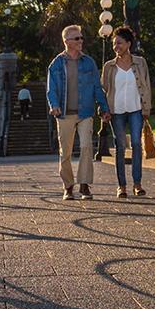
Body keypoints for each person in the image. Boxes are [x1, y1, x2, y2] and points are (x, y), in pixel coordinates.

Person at [46, 25, 109, 200]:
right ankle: (68, 186)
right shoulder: (56, 63)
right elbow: (51, 89)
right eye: (77, 38)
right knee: (65, 152)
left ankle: (84, 184)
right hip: (64, 113)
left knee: (87, 147)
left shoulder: (88, 62)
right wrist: (55, 105)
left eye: (81, 38)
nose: (81, 41)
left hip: (85, 112)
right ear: (66, 41)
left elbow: (97, 87)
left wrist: (104, 108)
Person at [102, 26, 152, 198]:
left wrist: (146, 108)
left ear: (128, 44)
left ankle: (137, 184)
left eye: (120, 43)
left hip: (136, 110)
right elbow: (104, 90)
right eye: (114, 44)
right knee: (120, 146)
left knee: (137, 144)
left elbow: (146, 86)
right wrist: (104, 110)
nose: (116, 46)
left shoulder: (140, 62)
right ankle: (121, 186)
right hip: (116, 111)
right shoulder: (109, 66)